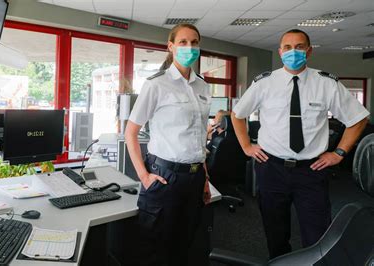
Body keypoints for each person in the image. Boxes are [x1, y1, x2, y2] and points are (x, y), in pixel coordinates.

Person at [231, 29, 370, 259]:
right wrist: (247, 146)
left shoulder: (326, 83)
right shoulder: (264, 83)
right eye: (287, 47)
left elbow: (358, 118)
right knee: (275, 234)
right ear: (280, 51)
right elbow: (237, 114)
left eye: (299, 46)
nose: (293, 52)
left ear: (309, 50)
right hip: (271, 169)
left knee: (317, 237)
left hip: (311, 171)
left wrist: (339, 153)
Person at [124, 23, 211, 266]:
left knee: (186, 245)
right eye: (183, 42)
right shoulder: (157, 84)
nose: (189, 47)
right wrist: (144, 176)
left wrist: (204, 177)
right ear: (171, 46)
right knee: (155, 248)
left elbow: (198, 137)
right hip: (165, 176)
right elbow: (131, 131)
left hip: (194, 177)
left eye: (194, 42)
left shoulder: (203, 86)